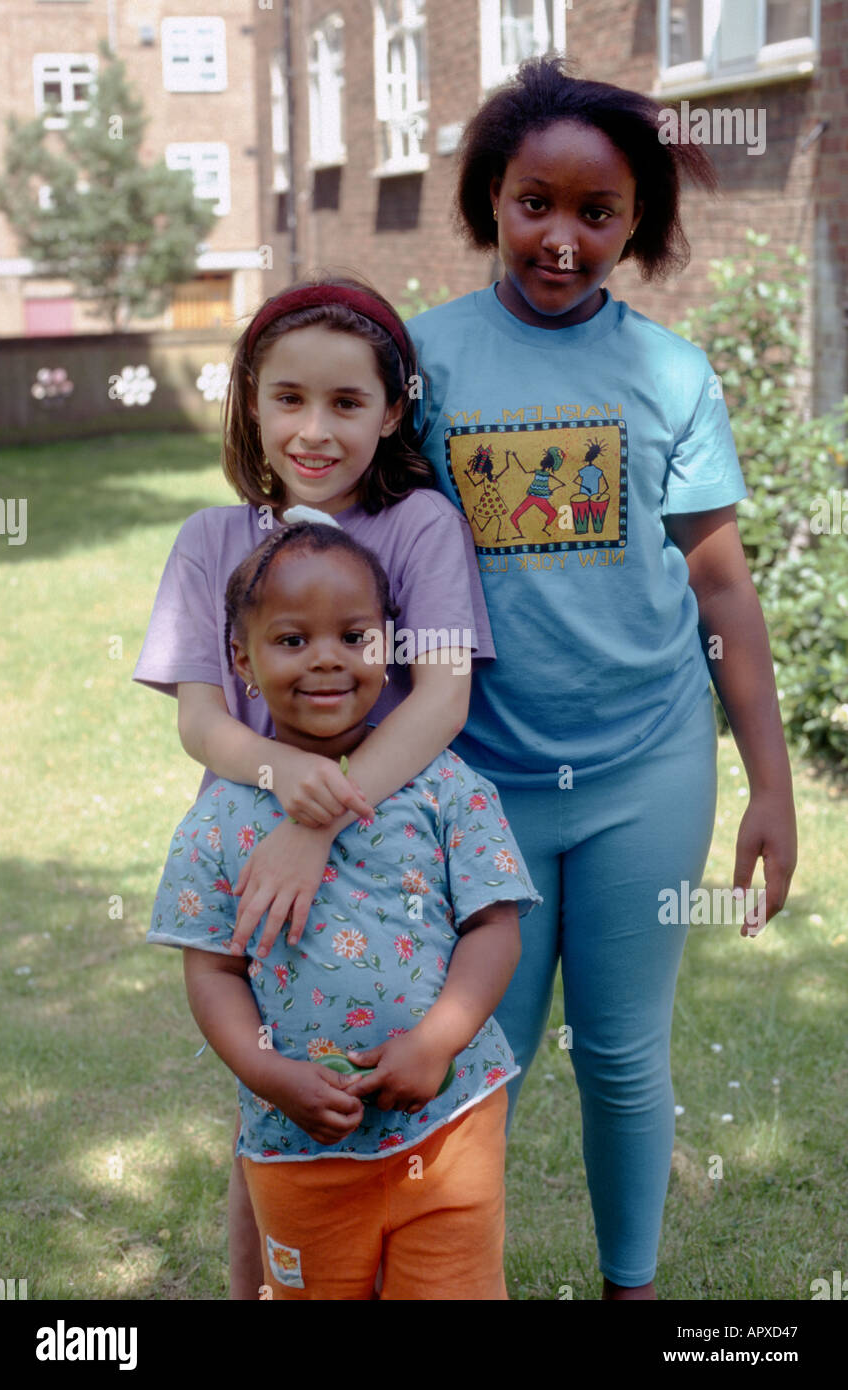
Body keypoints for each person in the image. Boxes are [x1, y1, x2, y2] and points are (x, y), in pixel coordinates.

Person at [405, 56, 797, 1300]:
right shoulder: (424, 365)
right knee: (482, 1059)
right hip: (476, 782)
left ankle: (633, 1293)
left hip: (647, 767)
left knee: (626, 1058)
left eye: (597, 212)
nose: (561, 239)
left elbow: (721, 590)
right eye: (534, 203)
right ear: (490, 201)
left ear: (638, 222)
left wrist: (770, 787)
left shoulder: (671, 375)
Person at [133, 278, 496, 1297]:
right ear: (250, 399)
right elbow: (201, 719)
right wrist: (281, 776)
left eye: (347, 403)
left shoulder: (419, 525)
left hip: (386, 863)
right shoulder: (210, 541)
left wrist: (323, 821)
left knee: (400, 1114)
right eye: (288, 398)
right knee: (272, 1120)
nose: (315, 430)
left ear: (391, 411)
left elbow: (441, 699)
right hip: (257, 871)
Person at [147, 520, 540, 1300]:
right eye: (292, 640)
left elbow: (494, 929)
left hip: (449, 1124)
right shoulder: (218, 823)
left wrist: (436, 1043)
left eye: (354, 635)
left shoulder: (444, 786)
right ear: (242, 661)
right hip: (297, 1147)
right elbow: (214, 971)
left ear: (389, 644)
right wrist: (268, 1074)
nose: (327, 657)